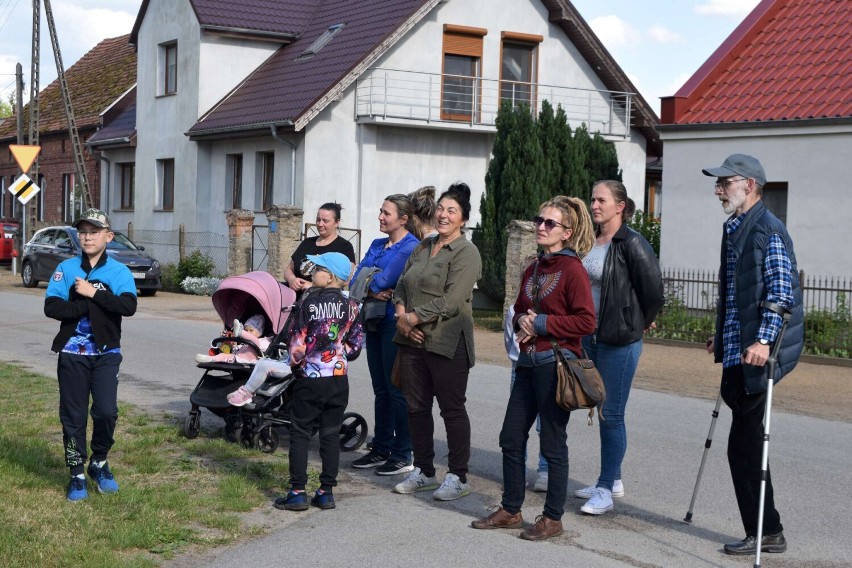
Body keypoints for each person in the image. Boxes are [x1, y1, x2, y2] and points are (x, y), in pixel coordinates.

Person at [472, 196, 596, 540]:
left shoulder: (573, 270)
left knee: (553, 443)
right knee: (511, 437)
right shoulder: (535, 267)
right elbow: (519, 310)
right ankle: (511, 510)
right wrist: (521, 323)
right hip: (527, 363)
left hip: (556, 365)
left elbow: (586, 321)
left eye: (550, 223)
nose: (541, 227)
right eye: (539, 220)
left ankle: (553, 518)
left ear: (567, 233)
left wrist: (540, 323)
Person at [702, 154, 803, 556]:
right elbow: (737, 294)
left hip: (760, 355)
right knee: (743, 444)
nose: (718, 190)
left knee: (744, 446)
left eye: (724, 183)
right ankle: (767, 529)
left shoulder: (768, 230)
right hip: (738, 351)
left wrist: (762, 342)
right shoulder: (736, 227)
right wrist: (721, 337)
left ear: (750, 184)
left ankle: (767, 531)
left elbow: (781, 294)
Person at [240, 252, 364, 511]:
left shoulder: (307, 305)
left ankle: (297, 492)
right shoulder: (352, 306)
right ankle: (326, 491)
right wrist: (337, 353)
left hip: (310, 378)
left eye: (317, 268)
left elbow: (296, 346)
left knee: (300, 433)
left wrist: (296, 369)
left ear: (329, 276)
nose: (311, 272)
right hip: (338, 380)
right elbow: (354, 348)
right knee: (330, 433)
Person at [574, 180, 664, 515]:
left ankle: (604, 489)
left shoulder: (633, 243)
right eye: (593, 198)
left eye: (601, 200)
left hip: (620, 341)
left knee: (611, 414)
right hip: (590, 338)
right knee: (600, 410)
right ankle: (614, 479)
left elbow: (654, 292)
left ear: (620, 206)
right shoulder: (590, 242)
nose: (594, 205)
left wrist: (638, 322)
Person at [391, 182, 481, 501]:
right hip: (412, 341)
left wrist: (412, 319)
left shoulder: (467, 252)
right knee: (416, 408)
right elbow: (402, 285)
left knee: (451, 410)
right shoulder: (424, 246)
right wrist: (403, 317)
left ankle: (458, 476)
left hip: (447, 342)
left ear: (463, 219)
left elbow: (452, 300)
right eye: (441, 208)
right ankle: (425, 471)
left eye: (451, 211)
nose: (443, 215)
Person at [44, 208, 137, 502]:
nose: (87, 237)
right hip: (72, 354)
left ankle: (99, 462)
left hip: (107, 353)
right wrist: (85, 304)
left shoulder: (119, 272)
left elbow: (127, 306)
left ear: (108, 236)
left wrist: (93, 293)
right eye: (83, 232)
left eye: (94, 232)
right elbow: (52, 307)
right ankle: (76, 474)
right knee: (73, 416)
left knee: (107, 411)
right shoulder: (66, 269)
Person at [350, 194, 422, 476]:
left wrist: (368, 281)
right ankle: (381, 447)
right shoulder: (377, 243)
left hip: (393, 321)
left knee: (396, 390)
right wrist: (369, 284)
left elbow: (381, 280)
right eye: (380, 211)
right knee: (380, 388)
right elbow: (356, 280)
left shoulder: (410, 248)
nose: (380, 217)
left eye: (386, 213)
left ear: (403, 219)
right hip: (373, 318)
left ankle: (403, 453)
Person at [503, 304, 549, 492]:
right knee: (518, 426)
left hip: (545, 365)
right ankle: (517, 473)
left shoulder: (547, 309)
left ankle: (545, 471)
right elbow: (509, 337)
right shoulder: (514, 310)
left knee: (545, 423)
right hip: (520, 366)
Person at [282, 203, 356, 297]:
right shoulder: (307, 242)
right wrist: (292, 279)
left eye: (325, 221)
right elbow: (289, 268)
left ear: (336, 222)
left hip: (323, 302)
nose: (320, 224)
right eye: (318, 220)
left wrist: (313, 286)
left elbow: (345, 280)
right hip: (296, 300)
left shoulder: (344, 247)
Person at [195, 314, 271, 364]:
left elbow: (262, 347)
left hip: (252, 359)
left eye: (251, 330)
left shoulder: (263, 341)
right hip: (236, 358)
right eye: (246, 330)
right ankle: (210, 359)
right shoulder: (243, 343)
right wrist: (234, 345)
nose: (248, 332)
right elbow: (237, 351)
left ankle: (240, 332)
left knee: (254, 342)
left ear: (259, 333)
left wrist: (242, 334)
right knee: (223, 355)